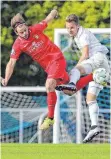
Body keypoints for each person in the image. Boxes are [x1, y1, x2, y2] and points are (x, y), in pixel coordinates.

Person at [1, 10, 94, 130]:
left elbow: (47, 20)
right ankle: (94, 76)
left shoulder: (35, 29)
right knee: (69, 90)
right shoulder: (18, 45)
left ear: (26, 25)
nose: (25, 33)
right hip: (49, 68)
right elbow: (11, 62)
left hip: (57, 59)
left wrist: (53, 12)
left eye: (25, 30)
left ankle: (50, 118)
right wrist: (6, 79)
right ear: (16, 32)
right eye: (21, 32)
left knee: (49, 84)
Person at [56, 14, 110, 142]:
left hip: (98, 59)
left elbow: (85, 54)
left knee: (76, 70)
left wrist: (76, 69)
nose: (69, 30)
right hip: (101, 65)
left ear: (77, 26)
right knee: (90, 99)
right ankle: (95, 126)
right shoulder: (76, 37)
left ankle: (71, 84)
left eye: (72, 28)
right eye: (67, 28)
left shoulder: (83, 34)